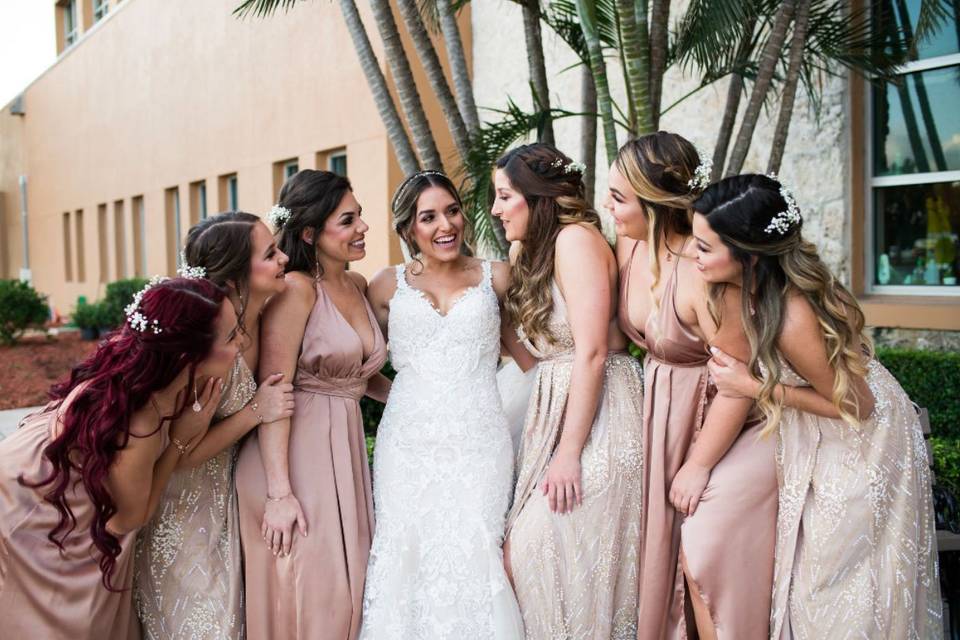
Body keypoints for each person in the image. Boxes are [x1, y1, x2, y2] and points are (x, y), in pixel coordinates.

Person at [693, 173, 942, 639]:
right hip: (826, 423)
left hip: (861, 438)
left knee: (838, 583)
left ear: (747, 256)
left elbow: (855, 405)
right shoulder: (755, 292)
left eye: (705, 247)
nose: (694, 255)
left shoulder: (792, 315)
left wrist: (753, 386)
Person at [0, 277, 240, 640]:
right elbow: (128, 519)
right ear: (188, 355)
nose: (242, 344)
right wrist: (178, 441)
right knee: (62, 619)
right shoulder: (140, 419)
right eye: (232, 337)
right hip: (30, 503)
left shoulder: (145, 365)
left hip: (49, 479)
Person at [607, 132, 777, 639]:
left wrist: (699, 464)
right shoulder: (631, 244)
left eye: (619, 197)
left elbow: (736, 385)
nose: (608, 206)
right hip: (658, 407)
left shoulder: (706, 275)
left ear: (655, 203)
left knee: (701, 550)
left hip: (718, 421)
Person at [359, 170, 529, 639]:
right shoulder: (384, 286)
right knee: (405, 552)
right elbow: (356, 365)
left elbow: (527, 358)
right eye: (428, 217)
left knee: (477, 548)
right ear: (408, 229)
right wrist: (399, 398)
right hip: (407, 445)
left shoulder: (496, 276)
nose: (445, 225)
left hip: (480, 441)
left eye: (451, 211)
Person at [495, 143, 644, 639]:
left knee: (537, 549)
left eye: (504, 196)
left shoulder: (576, 240)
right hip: (551, 412)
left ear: (536, 199)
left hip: (601, 416)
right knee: (525, 555)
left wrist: (569, 451)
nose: (495, 210)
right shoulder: (527, 251)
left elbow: (593, 352)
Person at [235, 170, 389, 640]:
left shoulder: (358, 285)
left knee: (351, 592)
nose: (363, 226)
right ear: (309, 233)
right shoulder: (298, 289)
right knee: (312, 597)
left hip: (343, 457)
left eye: (360, 215)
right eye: (347, 220)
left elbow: (359, 376)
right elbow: (274, 392)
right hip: (297, 458)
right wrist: (280, 494)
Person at [134, 212, 295, 640]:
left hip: (225, 500)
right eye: (270, 253)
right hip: (179, 508)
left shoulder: (265, 313)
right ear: (236, 276)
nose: (283, 258)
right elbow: (181, 450)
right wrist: (254, 412)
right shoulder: (208, 344)